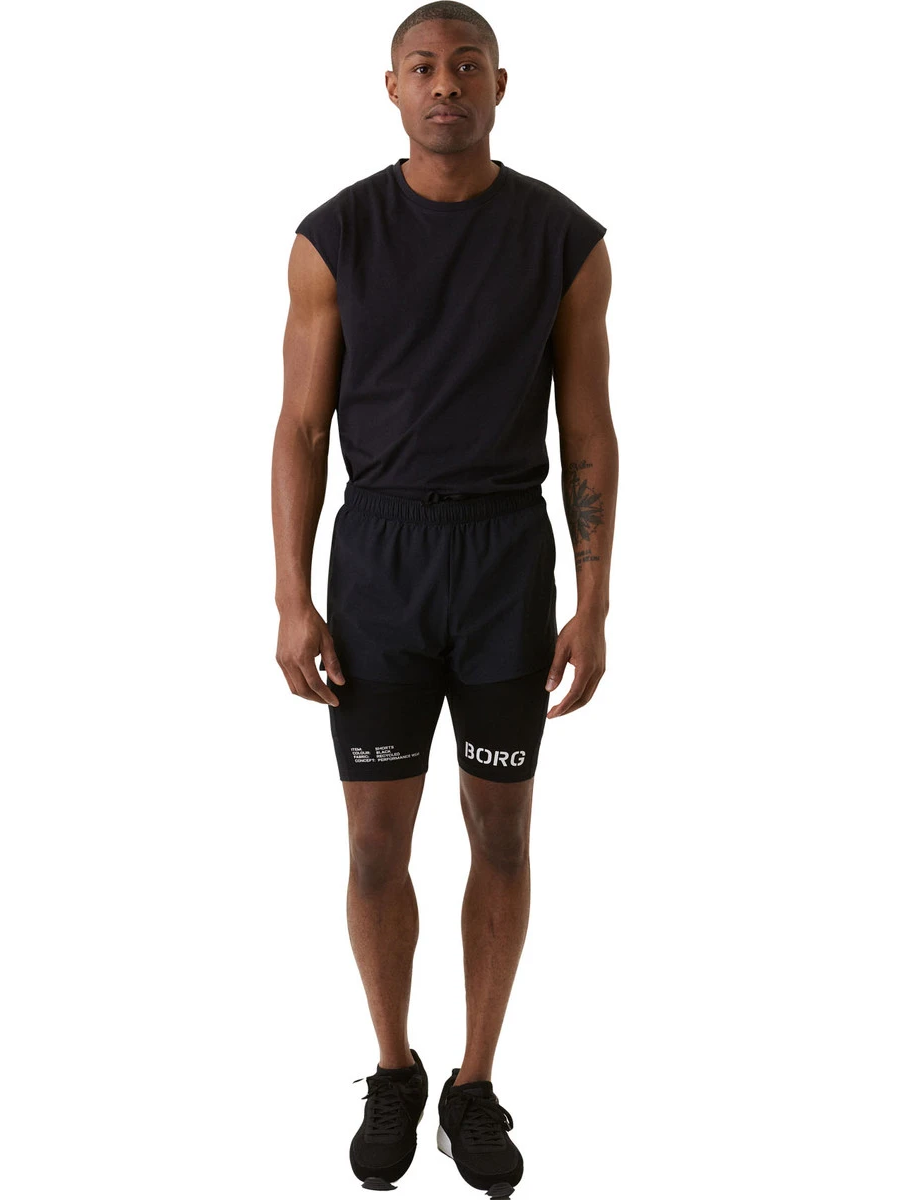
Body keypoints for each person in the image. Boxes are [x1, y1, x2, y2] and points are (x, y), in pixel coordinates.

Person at [271, 4, 616, 1193]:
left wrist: (594, 601)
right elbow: (301, 429)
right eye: (424, 67)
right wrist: (291, 598)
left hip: (505, 559)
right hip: (380, 557)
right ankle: (393, 1068)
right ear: (392, 88)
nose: (446, 84)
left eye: (467, 65)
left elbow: (588, 429)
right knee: (375, 840)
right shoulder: (333, 238)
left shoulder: (564, 239)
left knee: (502, 831)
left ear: (501, 84)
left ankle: (474, 1082)